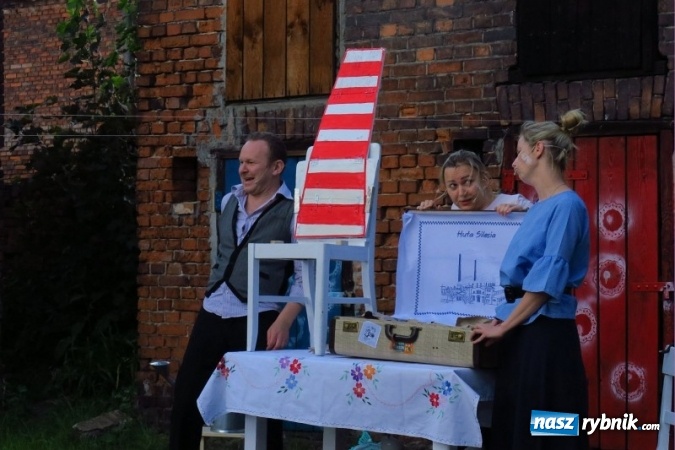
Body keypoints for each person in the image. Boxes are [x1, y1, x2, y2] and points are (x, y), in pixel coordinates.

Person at [169, 132, 304, 450]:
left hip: (258, 317)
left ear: (276, 167)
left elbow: (304, 277)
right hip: (214, 309)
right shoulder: (229, 201)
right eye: (241, 162)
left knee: (264, 407)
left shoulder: (292, 212)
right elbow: (225, 256)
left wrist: (284, 321)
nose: (243, 169)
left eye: (252, 162)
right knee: (187, 398)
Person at [471, 109, 590, 450]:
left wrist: (504, 327)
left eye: (519, 151)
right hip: (525, 333)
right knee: (518, 428)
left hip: (547, 338)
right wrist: (503, 320)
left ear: (538, 150)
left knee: (549, 429)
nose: (514, 162)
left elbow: (545, 283)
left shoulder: (568, 206)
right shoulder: (539, 207)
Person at [417, 149, 532, 215]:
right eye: (453, 185)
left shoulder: (516, 203)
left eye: (467, 182)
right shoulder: (456, 210)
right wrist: (432, 217)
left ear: (484, 180)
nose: (461, 193)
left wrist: (523, 216)